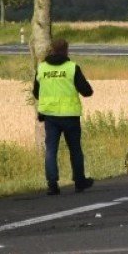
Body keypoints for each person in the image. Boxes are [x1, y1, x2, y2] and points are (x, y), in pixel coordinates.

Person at [33, 38, 94, 195]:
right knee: (75, 149)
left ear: (51, 50)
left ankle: (52, 184)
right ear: (66, 50)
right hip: (70, 116)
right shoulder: (72, 68)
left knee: (51, 150)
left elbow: (35, 92)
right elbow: (87, 91)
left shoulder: (42, 69)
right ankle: (79, 182)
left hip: (50, 117)